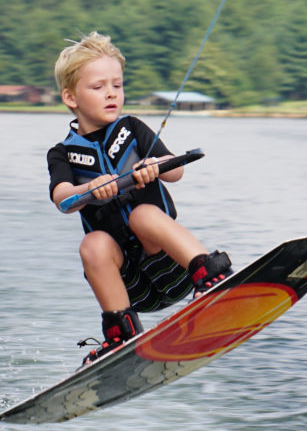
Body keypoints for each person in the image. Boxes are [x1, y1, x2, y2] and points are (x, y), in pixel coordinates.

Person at [46, 32, 231, 366]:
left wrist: (154, 165)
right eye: (98, 87)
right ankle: (121, 333)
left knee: (142, 215)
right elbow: (61, 198)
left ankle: (211, 275)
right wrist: (88, 190)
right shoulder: (62, 154)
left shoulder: (132, 128)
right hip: (131, 286)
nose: (111, 93)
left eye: (117, 85)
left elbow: (176, 171)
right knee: (92, 244)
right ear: (70, 97)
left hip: (172, 267)